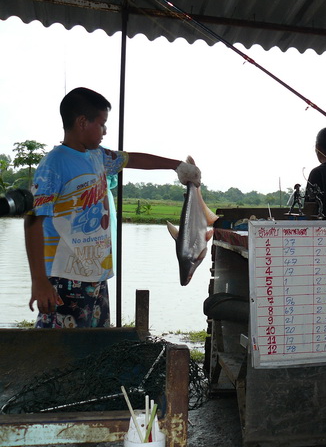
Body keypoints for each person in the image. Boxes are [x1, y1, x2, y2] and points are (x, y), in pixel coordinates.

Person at [25, 87, 201, 329]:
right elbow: (33, 220)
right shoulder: (54, 164)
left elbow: (132, 158)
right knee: (60, 352)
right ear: (82, 122)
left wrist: (177, 166)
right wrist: (39, 281)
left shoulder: (97, 156)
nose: (105, 131)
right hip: (64, 279)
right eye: (102, 124)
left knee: (96, 348)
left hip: (96, 275)